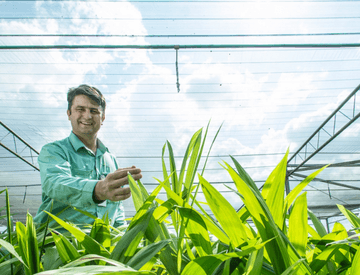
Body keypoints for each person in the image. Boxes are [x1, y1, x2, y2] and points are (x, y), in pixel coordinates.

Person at [34, 84, 142, 228]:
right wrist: (98, 190)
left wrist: (126, 238)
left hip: (101, 244)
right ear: (69, 114)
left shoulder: (111, 160)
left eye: (94, 111)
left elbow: (117, 210)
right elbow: (54, 184)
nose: (87, 116)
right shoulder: (54, 151)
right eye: (80, 109)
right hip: (58, 240)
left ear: (102, 117)